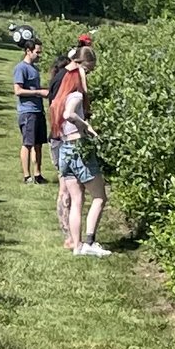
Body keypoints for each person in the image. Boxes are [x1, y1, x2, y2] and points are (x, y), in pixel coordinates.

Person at [54, 75, 110, 253]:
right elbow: (68, 115)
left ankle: (77, 245)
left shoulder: (61, 97)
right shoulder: (76, 95)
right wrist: (87, 126)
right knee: (99, 197)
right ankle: (90, 242)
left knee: (76, 200)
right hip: (78, 148)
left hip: (65, 149)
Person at [12, 35, 46, 180]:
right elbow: (18, 91)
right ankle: (27, 175)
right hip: (28, 111)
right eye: (37, 52)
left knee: (38, 144)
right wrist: (38, 92)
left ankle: (38, 174)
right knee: (28, 143)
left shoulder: (35, 69)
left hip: (38, 110)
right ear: (28, 51)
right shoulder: (21, 68)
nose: (39, 55)